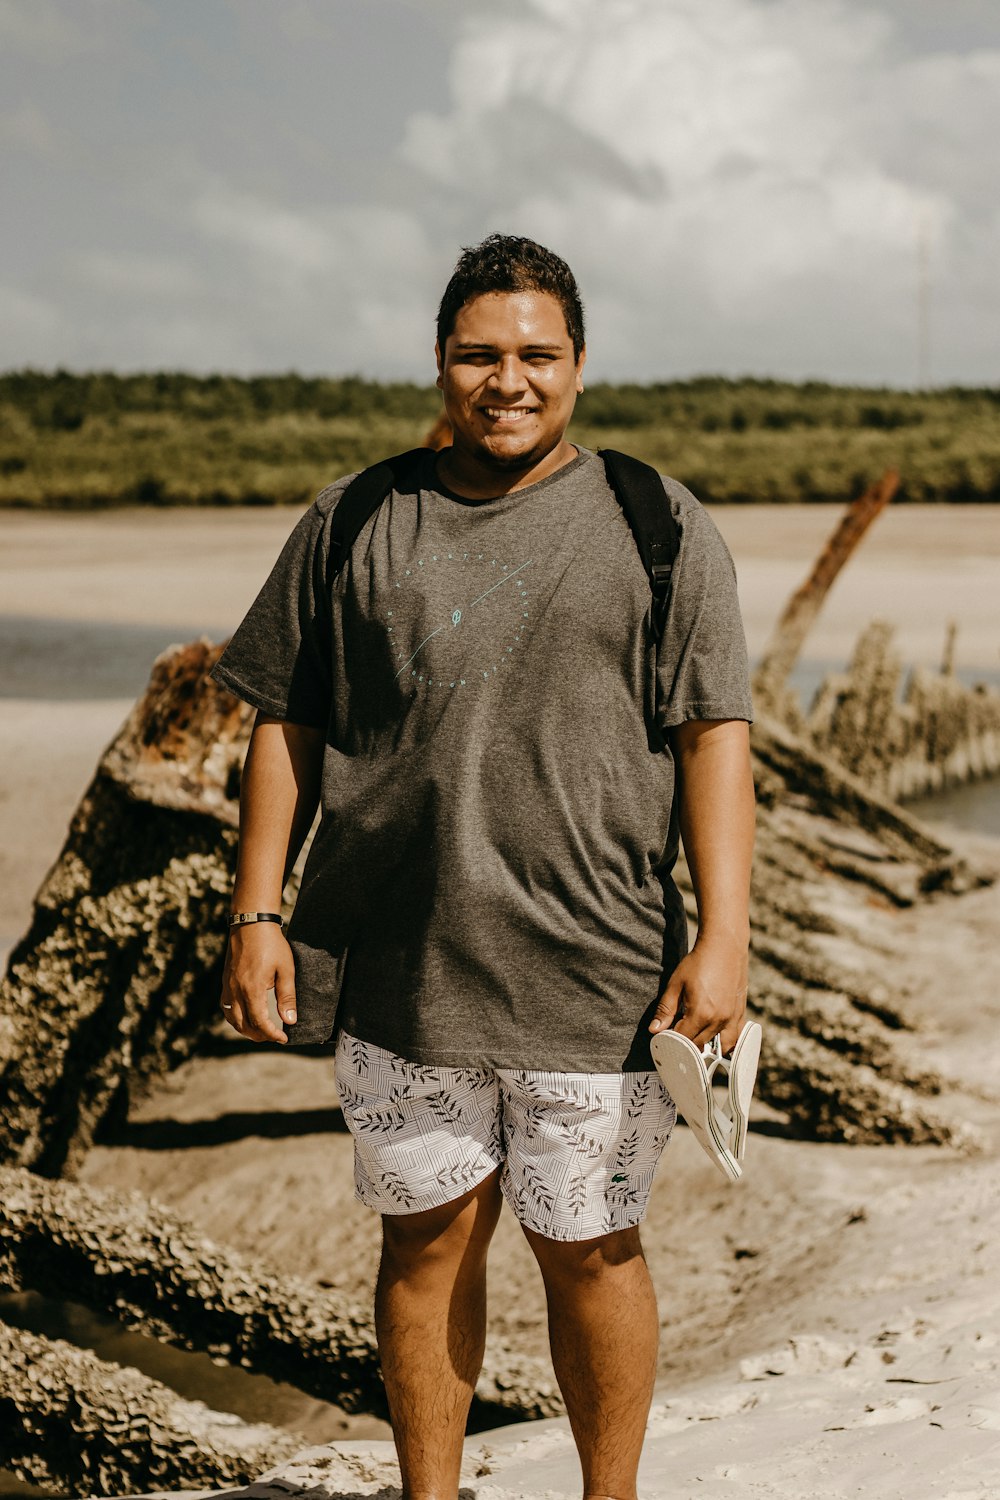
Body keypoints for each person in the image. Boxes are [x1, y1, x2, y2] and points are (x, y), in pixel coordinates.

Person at [211, 234, 755, 1500]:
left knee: (593, 1250)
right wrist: (256, 912)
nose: (505, 380)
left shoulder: (657, 522)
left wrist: (722, 937)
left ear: (578, 365)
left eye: (535, 355)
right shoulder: (351, 518)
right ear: (440, 362)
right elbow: (282, 724)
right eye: (478, 354)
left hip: (600, 973)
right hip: (398, 963)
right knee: (425, 1245)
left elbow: (711, 735)